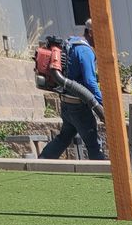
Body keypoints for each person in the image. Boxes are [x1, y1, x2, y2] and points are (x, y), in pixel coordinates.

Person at [39, 21, 104, 161]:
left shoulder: (72, 43)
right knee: (94, 144)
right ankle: (103, 170)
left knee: (64, 137)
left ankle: (43, 160)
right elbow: (90, 83)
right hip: (78, 106)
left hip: (66, 104)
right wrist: (103, 105)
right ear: (91, 32)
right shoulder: (85, 50)